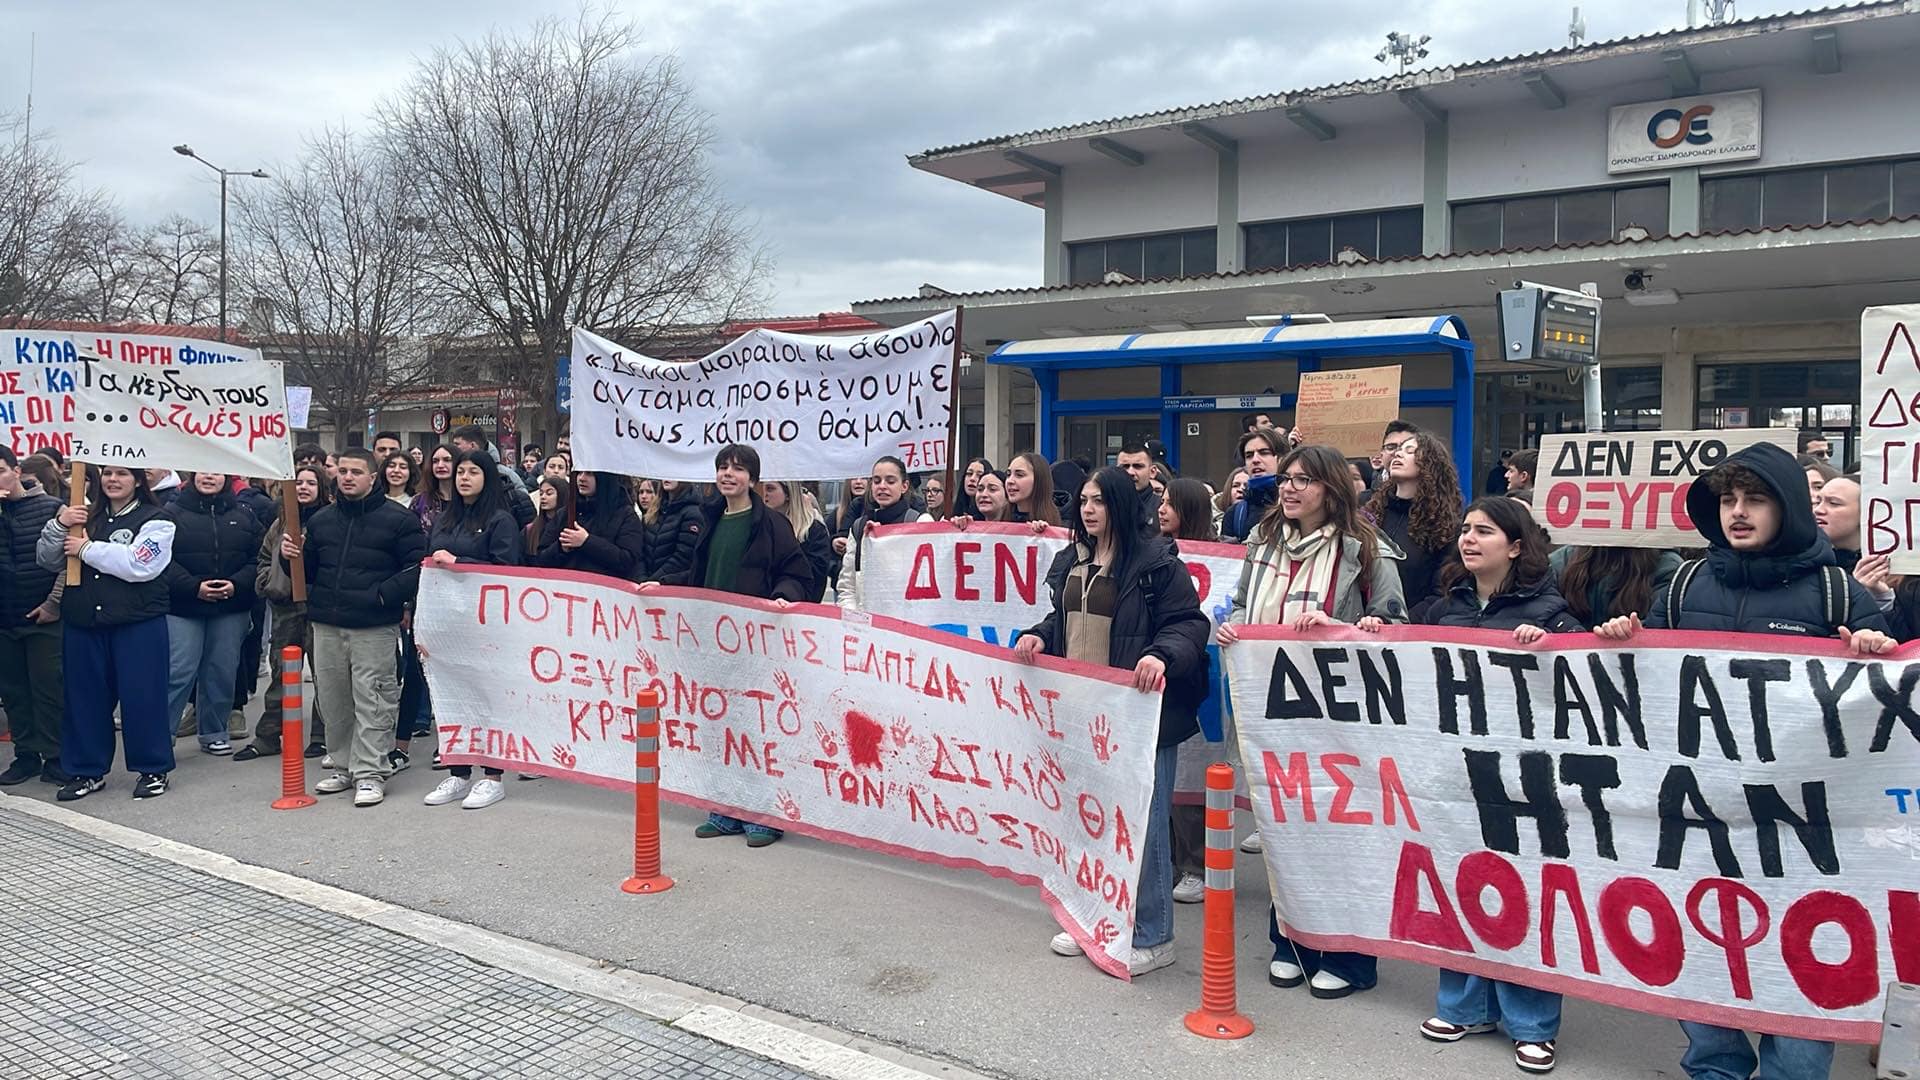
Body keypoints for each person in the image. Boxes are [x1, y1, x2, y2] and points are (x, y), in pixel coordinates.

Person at [1595, 441, 1892, 1080]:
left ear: (1786, 506)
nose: (1738, 511)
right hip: (1705, 816)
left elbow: (1881, 704)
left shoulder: (1837, 594)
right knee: (1707, 946)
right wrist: (1627, 642)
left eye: (1754, 499)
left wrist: (1875, 651)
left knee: (1805, 957)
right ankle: (1715, 1066)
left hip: (1807, 827)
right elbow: (1647, 686)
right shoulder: (1681, 586)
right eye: (1728, 499)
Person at [1217, 444, 1407, 1000]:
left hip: (1339, 718)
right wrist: (1234, 627)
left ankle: (1350, 956)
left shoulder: (1368, 551)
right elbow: (1242, 606)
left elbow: (1393, 627)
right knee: (1284, 828)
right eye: (1287, 479)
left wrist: (1342, 626)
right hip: (1273, 715)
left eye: (1305, 480)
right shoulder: (1261, 543)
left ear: (1332, 488)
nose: (1291, 488)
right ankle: (1291, 942)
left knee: (1341, 834)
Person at [1016, 467, 1209, 976]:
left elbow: (1188, 624)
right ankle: (1094, 919)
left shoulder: (1157, 564)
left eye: (1098, 501)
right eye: (1082, 500)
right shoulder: (1072, 559)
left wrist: (1162, 655)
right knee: (1090, 821)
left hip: (1142, 715)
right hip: (1085, 715)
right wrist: (1038, 634)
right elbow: (1064, 621)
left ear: (1120, 504)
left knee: (1142, 828)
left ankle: (1153, 933)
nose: (1087, 509)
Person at [1417, 496, 1582, 1074]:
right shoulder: (1445, 609)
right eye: (1465, 530)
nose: (1468, 539)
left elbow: (1584, 683)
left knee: (1525, 895)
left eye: (1484, 531)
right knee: (1462, 882)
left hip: (1525, 779)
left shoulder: (1552, 613)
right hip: (1458, 775)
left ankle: (1532, 1022)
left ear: (1515, 545)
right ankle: (1462, 1006)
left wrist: (1557, 650)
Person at [652, 444, 811, 848]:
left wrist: (782, 596)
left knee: (754, 727)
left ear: (752, 479)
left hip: (754, 645)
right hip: (711, 643)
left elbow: (797, 572)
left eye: (737, 470)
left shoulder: (771, 524)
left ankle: (763, 814)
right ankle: (724, 808)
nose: (728, 475)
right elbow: (697, 574)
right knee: (718, 725)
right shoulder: (710, 519)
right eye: (722, 467)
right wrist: (663, 587)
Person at [282, 448, 426, 808]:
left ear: (372, 477)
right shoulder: (322, 520)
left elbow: (415, 568)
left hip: (373, 626)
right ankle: (345, 765)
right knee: (333, 701)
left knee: (374, 699)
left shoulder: (398, 519)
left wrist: (382, 597)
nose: (346, 477)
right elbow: (309, 572)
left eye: (355, 472)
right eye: (342, 471)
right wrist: (291, 560)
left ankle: (371, 772)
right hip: (327, 623)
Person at [36, 465, 177, 800]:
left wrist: (87, 550)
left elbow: (140, 564)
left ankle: (153, 768)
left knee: (142, 698)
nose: (113, 480)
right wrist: (59, 526)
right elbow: (47, 559)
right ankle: (86, 771)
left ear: (139, 480)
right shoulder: (82, 515)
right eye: (108, 474)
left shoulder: (157, 519)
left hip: (137, 623)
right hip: (84, 623)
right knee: (84, 700)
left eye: (123, 474)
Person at [421, 451, 524, 810]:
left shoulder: (500, 520)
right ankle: (458, 771)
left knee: (486, 697)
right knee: (450, 697)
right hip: (448, 624)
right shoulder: (445, 520)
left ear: (488, 477)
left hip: (485, 625)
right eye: (460, 471)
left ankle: (492, 776)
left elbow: (506, 570)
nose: (464, 477)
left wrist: (460, 563)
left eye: (473, 471)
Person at [160, 470, 265, 756]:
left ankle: (214, 732)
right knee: (178, 671)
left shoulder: (244, 514)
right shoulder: (170, 513)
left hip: (231, 606)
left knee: (221, 670)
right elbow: (161, 560)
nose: (210, 477)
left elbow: (259, 558)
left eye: (217, 473)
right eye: (204, 472)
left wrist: (237, 585)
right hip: (184, 606)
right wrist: (193, 587)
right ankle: (161, 735)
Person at [239, 465, 330, 761]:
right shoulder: (280, 523)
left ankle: (322, 735)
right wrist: (268, 580)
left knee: (323, 675)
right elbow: (264, 557)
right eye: (298, 483)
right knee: (282, 674)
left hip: (320, 608)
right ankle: (268, 735)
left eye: (311, 483)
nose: (303, 487)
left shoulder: (329, 521)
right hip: (285, 607)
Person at [0, 447, 67, 784]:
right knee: (14, 691)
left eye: (0, 471)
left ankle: (56, 755)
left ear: (17, 471)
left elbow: (67, 562)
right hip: (4, 618)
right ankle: (26, 755)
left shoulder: (51, 508)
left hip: (43, 616)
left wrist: (54, 603)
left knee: (48, 688)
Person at [1367, 430, 1462, 615]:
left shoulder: (1445, 526)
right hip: (1358, 629)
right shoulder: (1369, 513)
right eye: (1397, 449)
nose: (1398, 454)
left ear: (1430, 464)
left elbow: (1440, 593)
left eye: (1410, 451)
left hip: (1408, 633)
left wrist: (1398, 624)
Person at [837, 456, 933, 612]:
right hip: (866, 628)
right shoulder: (858, 526)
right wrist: (854, 620)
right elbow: (847, 587)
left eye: (890, 481)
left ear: (904, 486)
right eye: (876, 481)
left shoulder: (920, 522)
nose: (882, 486)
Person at [536, 470, 646, 581]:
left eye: (589, 474)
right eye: (579, 473)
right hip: (565, 591)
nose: (582, 478)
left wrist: (587, 541)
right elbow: (541, 559)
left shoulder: (625, 515)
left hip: (605, 592)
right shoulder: (566, 513)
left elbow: (628, 561)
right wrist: (561, 548)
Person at [1550, 545, 1682, 629]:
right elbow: (1543, 608)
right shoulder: (1563, 560)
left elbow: (1660, 622)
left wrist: (1636, 630)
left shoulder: (1668, 567)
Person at [449, 423, 534, 526]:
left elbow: (523, 506)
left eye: (457, 444)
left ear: (472, 446)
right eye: (460, 472)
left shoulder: (505, 474)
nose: (464, 477)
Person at [762, 480, 832, 602]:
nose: (765, 494)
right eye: (764, 489)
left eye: (770, 489)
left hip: (799, 608)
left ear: (788, 494)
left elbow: (816, 577)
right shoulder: (761, 528)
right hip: (765, 606)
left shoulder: (814, 530)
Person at [1221, 427, 1283, 542]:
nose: (1255, 460)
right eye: (1249, 455)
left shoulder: (1297, 506)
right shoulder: (1235, 513)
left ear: (1281, 459)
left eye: (1264, 453)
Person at [644, 479, 705, 586]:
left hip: (670, 587)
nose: (667, 477)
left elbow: (683, 558)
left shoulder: (693, 513)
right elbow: (641, 549)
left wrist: (655, 580)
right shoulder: (655, 510)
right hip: (645, 586)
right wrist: (641, 578)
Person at [1813, 474, 1861, 571]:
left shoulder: (1890, 571)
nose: (1818, 510)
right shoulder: (1807, 562)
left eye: (1834, 503)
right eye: (1818, 502)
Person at [1004, 452, 1061, 526]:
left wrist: (1046, 532)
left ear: (1039, 480)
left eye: (1019, 475)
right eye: (1008, 475)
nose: (1010, 481)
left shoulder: (1064, 523)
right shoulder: (1001, 516)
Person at [411, 445, 456, 534]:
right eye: (435, 461)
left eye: (447, 460)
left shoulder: (468, 500)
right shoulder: (419, 500)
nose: (440, 465)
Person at [1157, 477, 1216, 544]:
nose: (1161, 510)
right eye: (1162, 502)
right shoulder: (1152, 548)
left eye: (1171, 504)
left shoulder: (1218, 551)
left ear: (1191, 508)